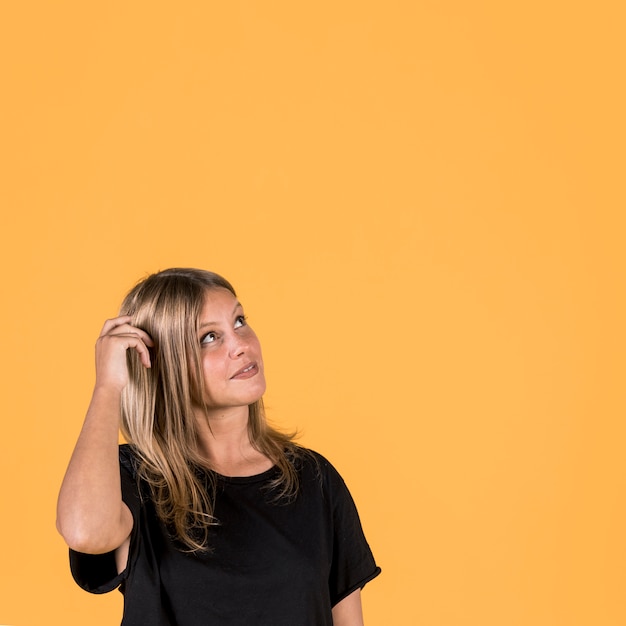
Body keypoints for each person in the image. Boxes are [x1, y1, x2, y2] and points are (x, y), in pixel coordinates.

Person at [57, 268, 380, 625]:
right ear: (160, 363)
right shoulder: (136, 478)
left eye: (239, 321)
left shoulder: (313, 479)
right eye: (209, 337)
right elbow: (85, 532)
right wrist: (108, 387)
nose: (241, 344)